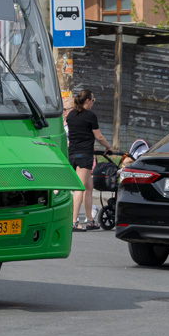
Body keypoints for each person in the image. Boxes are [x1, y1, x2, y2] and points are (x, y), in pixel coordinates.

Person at [66, 88, 112, 232]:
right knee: (80, 188)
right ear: (87, 101)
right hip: (84, 155)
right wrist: (108, 147)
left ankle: (90, 221)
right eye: (92, 100)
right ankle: (74, 222)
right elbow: (98, 136)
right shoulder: (90, 116)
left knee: (89, 187)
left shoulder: (71, 115)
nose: (93, 103)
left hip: (72, 154)